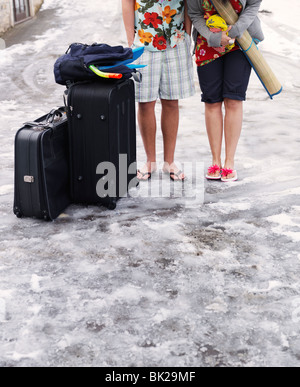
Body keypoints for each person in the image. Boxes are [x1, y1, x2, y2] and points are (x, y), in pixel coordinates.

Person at [187, 0, 264, 181]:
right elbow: (195, 14)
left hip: (241, 41)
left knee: (234, 100)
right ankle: (216, 160)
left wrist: (236, 30)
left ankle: (229, 162)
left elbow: (253, 4)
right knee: (212, 101)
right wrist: (213, 37)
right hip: (207, 43)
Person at [122, 0, 195, 181]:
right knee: (146, 103)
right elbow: (127, 2)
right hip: (144, 41)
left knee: (171, 102)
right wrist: (131, 40)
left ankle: (169, 162)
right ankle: (150, 161)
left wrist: (187, 31)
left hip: (175, 40)